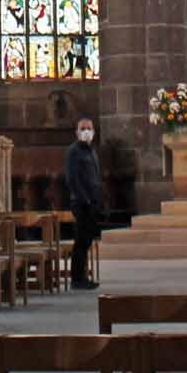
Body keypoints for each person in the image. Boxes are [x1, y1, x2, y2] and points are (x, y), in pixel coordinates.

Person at [65, 115, 105, 290]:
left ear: (94, 132)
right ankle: (77, 279)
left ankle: (82, 276)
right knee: (81, 241)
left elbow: (95, 177)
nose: (86, 131)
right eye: (83, 128)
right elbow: (73, 179)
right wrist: (86, 200)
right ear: (77, 132)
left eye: (89, 128)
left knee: (87, 241)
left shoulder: (91, 150)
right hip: (82, 203)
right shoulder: (74, 151)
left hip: (93, 202)